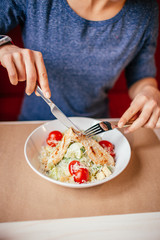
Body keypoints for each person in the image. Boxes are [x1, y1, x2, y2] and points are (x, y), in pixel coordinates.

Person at [0, 0, 160, 133]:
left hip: (96, 127)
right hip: (32, 125)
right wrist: (3, 46)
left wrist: (149, 91)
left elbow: (141, 76)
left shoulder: (147, 11)